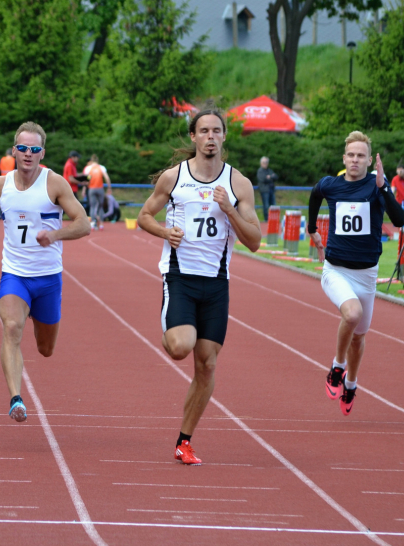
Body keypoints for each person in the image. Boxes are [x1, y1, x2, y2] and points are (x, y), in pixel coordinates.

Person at [137, 110, 262, 465]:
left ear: (224, 137)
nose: (210, 137)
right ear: (193, 136)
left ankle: (184, 441)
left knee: (206, 366)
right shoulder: (173, 178)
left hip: (217, 284)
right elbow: (145, 215)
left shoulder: (239, 184)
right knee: (180, 347)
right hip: (179, 278)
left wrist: (230, 210)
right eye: (204, 130)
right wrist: (164, 232)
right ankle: (170, 326)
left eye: (216, 131)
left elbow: (254, 241)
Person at [0, 121, 90, 423]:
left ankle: (38, 321)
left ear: (43, 153)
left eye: (35, 149)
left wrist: (54, 235)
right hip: (14, 273)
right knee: (12, 327)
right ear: (14, 150)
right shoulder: (3, 184)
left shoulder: (54, 183)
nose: (28, 154)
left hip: (48, 278)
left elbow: (84, 224)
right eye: (23, 148)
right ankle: (16, 397)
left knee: (45, 349)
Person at [307, 131, 404, 417]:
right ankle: (337, 367)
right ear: (344, 158)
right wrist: (312, 229)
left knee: (360, 338)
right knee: (351, 314)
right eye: (351, 155)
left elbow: (399, 221)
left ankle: (351, 383)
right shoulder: (331, 185)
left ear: (369, 160)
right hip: (335, 269)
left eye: (361, 155)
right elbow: (315, 194)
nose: (355, 160)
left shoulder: (377, 187)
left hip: (366, 274)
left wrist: (384, 187)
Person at [84, 155, 111, 231]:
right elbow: (107, 178)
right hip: (100, 188)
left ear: (92, 160)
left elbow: (87, 179)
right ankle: (101, 224)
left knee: (92, 206)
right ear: (98, 160)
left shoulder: (88, 168)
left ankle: (93, 223)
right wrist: (109, 187)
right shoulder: (101, 168)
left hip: (92, 189)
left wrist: (85, 187)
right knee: (101, 206)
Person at [255, 156, 278, 221]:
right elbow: (262, 179)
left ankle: (274, 220)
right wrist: (271, 177)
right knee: (266, 206)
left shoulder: (269, 170)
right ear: (261, 163)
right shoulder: (260, 171)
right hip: (264, 191)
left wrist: (269, 177)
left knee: (273, 206)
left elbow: (276, 177)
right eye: (264, 162)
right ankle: (266, 220)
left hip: (271, 190)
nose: (265, 164)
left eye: (266, 162)